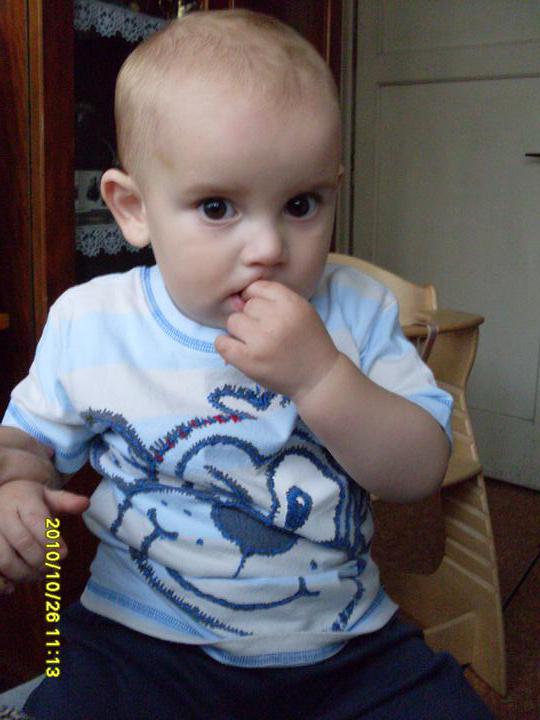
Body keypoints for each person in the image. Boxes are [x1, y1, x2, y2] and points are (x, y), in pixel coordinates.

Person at [0, 10, 494, 720]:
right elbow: (26, 442)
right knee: (67, 698)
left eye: (301, 204)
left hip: (342, 641)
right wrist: (15, 486)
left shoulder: (356, 311)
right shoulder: (93, 321)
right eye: (216, 206)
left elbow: (418, 472)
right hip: (137, 638)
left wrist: (321, 378)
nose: (267, 248)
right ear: (133, 209)